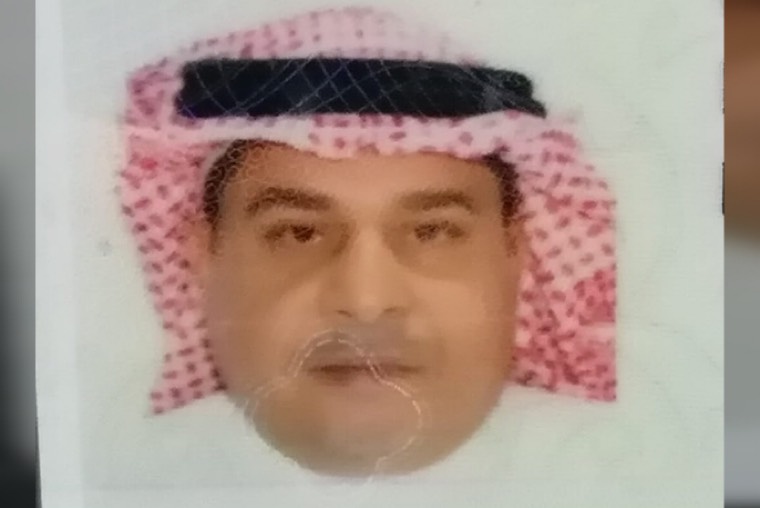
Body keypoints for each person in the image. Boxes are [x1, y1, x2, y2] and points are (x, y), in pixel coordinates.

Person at [120, 7, 616, 476]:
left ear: (516, 250)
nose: (367, 302)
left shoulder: (618, 469)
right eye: (299, 232)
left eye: (431, 231)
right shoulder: (122, 469)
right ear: (203, 254)